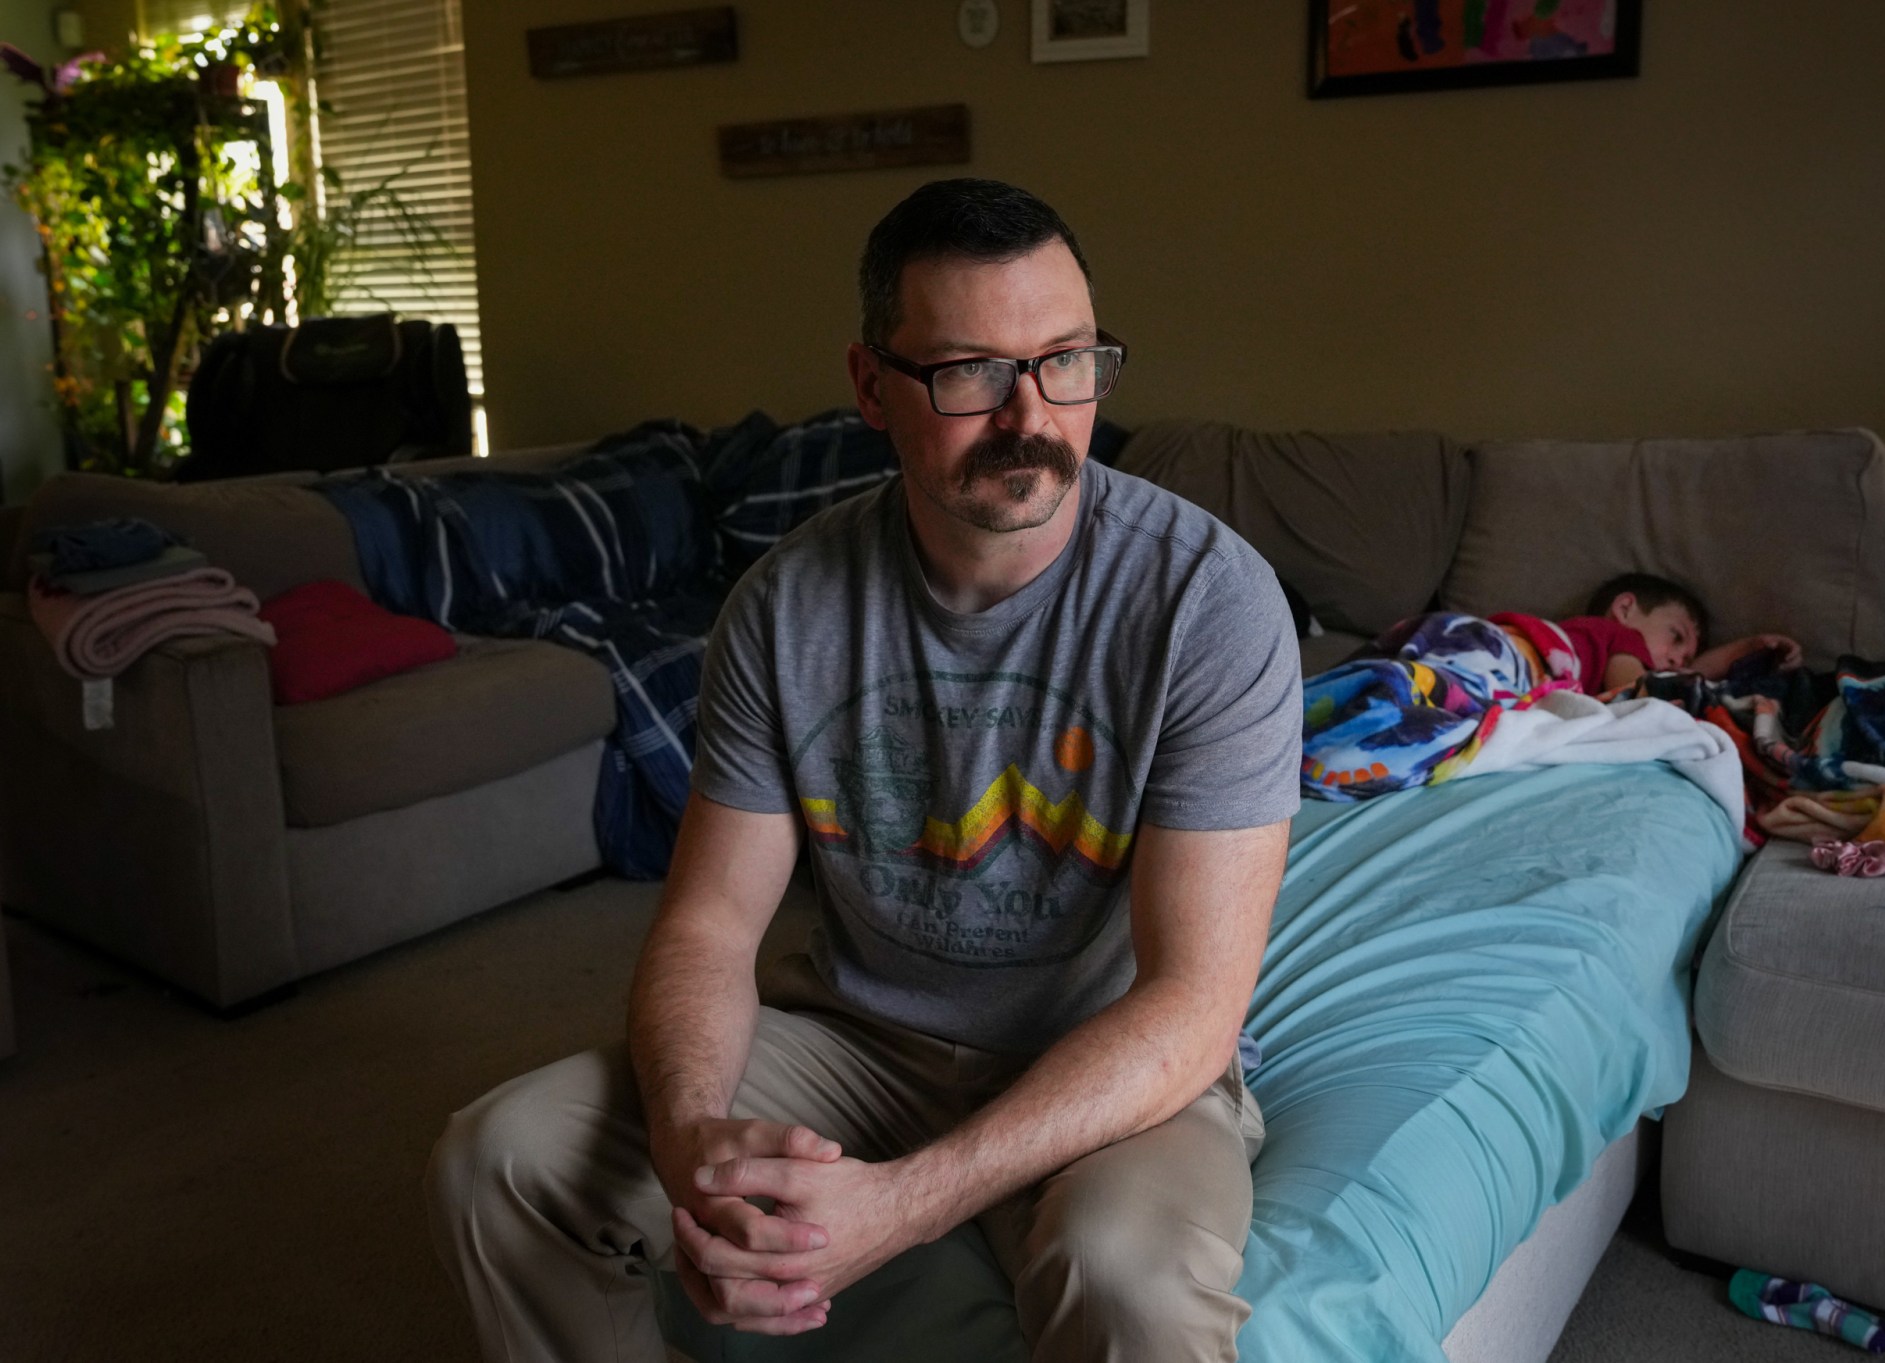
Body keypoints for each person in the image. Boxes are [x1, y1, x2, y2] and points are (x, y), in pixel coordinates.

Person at [425, 177, 1303, 1363]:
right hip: (856, 1043)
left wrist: (902, 1206)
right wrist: (687, 1138)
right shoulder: (783, 606)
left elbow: (1192, 1007)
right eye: (969, 372)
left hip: (1104, 1062)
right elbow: (707, 929)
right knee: (495, 1161)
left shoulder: (1209, 600)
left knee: (1124, 1280)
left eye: (1065, 360)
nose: (1030, 415)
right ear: (869, 385)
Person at [1503, 572, 1801, 695]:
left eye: (1686, 659)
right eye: (1676, 637)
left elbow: (1684, 676)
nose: (1677, 660)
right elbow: (1636, 696)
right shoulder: (1622, 637)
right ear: (1625, 609)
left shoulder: (1588, 652)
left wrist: (1749, 647)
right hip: (1509, 654)